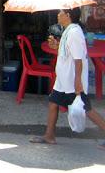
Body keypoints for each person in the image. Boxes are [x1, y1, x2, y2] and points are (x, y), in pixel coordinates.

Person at [30, 8, 105, 149]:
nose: (58, 15)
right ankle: (49, 136)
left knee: (87, 110)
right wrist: (57, 45)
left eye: (61, 12)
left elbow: (78, 59)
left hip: (72, 82)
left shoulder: (75, 33)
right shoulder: (68, 31)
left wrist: (78, 82)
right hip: (63, 81)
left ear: (68, 15)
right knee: (53, 104)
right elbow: (67, 51)